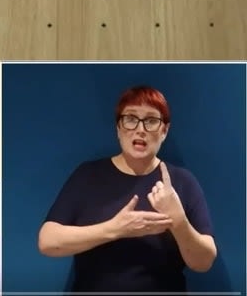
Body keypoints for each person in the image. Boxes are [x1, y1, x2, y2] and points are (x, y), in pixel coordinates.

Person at [37, 85, 217, 292]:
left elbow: (203, 263)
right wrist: (116, 229)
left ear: (164, 131)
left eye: (151, 121)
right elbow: (48, 242)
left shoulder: (183, 181)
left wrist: (178, 221)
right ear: (118, 128)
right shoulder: (88, 175)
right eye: (131, 119)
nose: (140, 129)